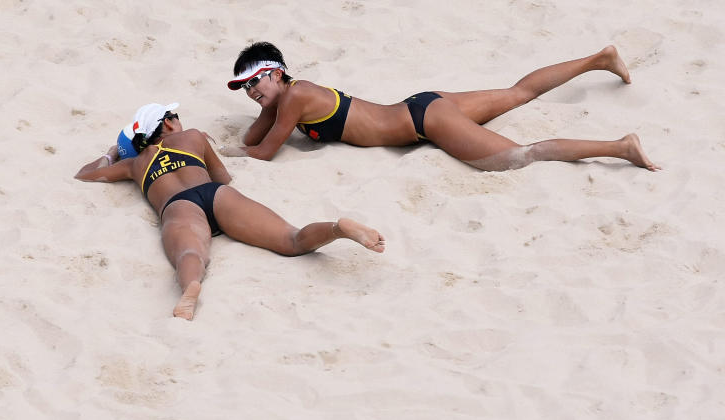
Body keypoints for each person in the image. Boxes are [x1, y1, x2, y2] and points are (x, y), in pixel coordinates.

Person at [74, 102, 386, 320]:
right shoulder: (193, 137)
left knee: (189, 256)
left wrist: (113, 152)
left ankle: (190, 287)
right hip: (217, 195)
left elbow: (86, 175)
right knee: (292, 240)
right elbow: (223, 177)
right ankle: (337, 228)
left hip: (178, 206)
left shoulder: (134, 164)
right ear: (169, 123)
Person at [223, 42, 659, 171]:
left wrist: (218, 151)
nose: (250, 91)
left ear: (279, 72)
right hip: (423, 104)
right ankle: (599, 59)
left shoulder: (296, 96)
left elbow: (261, 152)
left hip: (423, 121)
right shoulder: (287, 97)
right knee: (518, 93)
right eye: (243, 87)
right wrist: (263, 104)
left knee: (520, 156)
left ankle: (620, 147)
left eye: (255, 80)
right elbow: (256, 134)